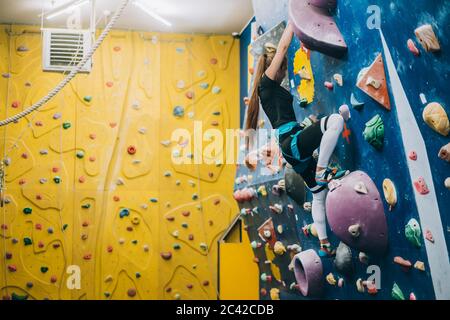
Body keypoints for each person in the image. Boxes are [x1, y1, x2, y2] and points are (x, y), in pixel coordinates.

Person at [245, 22, 347, 257]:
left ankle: (323, 244)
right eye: (281, 66)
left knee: (319, 195)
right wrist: (292, 21)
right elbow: (281, 48)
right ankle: (322, 169)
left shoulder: (268, 89)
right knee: (334, 121)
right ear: (274, 67)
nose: (284, 70)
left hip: (289, 145)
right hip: (290, 141)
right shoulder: (266, 83)